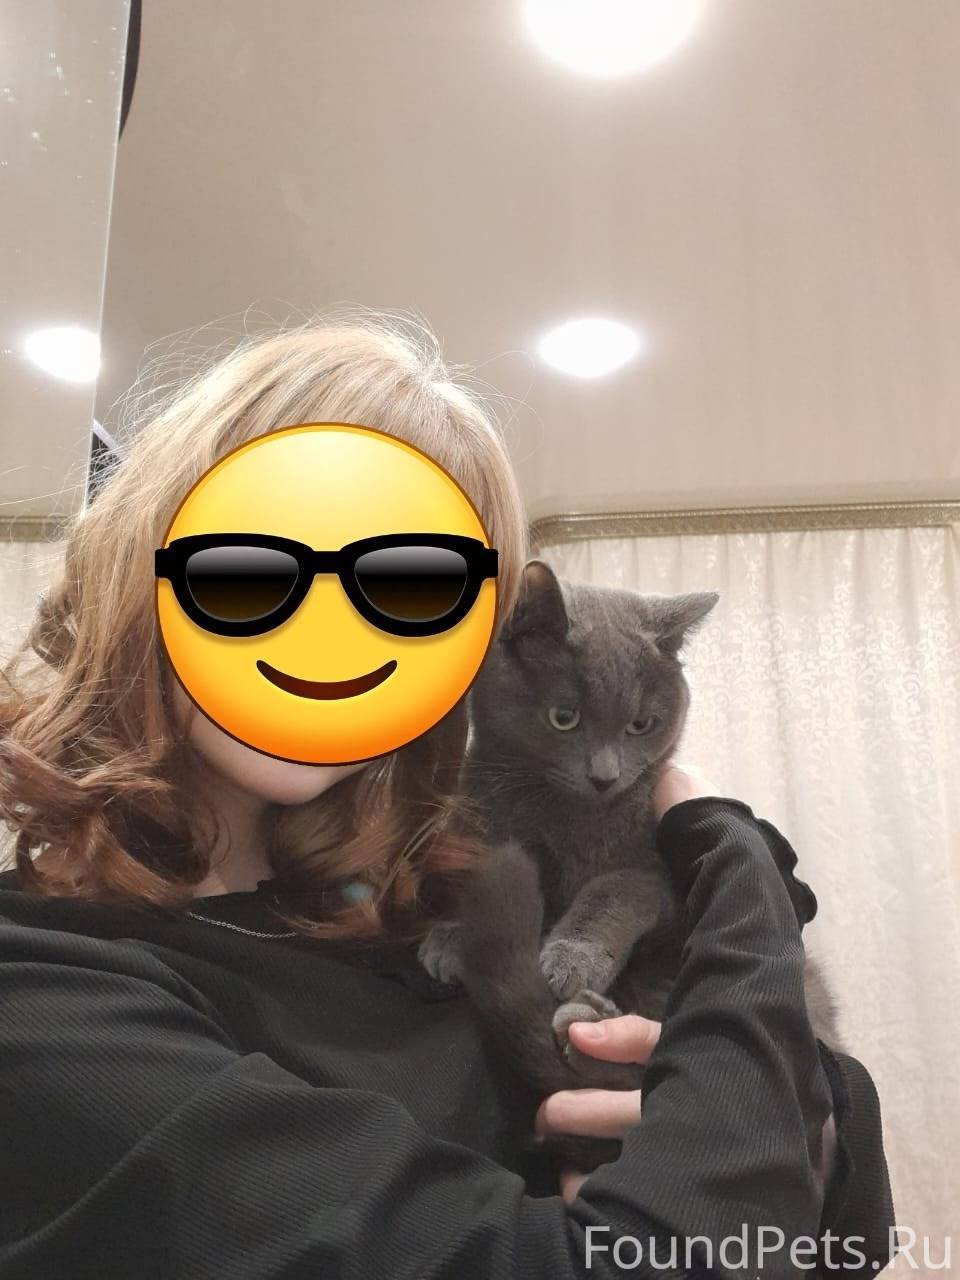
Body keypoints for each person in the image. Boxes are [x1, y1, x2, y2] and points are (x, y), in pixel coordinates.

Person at [0, 316, 895, 1279]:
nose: (331, 626)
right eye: (259, 563)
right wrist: (730, 855)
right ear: (146, 564)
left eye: (411, 586)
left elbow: (849, 1225)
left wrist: (762, 1120)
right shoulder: (47, 989)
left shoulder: (433, 908)